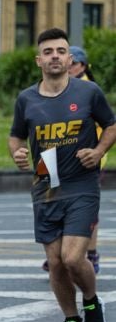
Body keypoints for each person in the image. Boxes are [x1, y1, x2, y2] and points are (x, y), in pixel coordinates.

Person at [8, 28, 116, 322]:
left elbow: (111, 125)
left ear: (70, 59)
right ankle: (71, 319)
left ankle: (93, 301)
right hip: (46, 185)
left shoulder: (88, 93)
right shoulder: (26, 99)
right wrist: (16, 153)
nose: (55, 56)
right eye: (49, 51)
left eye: (61, 51)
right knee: (54, 262)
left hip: (82, 184)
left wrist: (97, 152)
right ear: (39, 59)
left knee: (71, 257)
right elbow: (16, 136)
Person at [70, 46, 103, 274]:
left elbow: (106, 126)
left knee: (87, 208)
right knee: (55, 203)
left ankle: (90, 253)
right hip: (60, 157)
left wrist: (96, 153)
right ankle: (60, 251)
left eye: (73, 62)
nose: (68, 66)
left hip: (87, 159)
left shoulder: (89, 89)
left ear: (81, 65)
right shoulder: (60, 87)